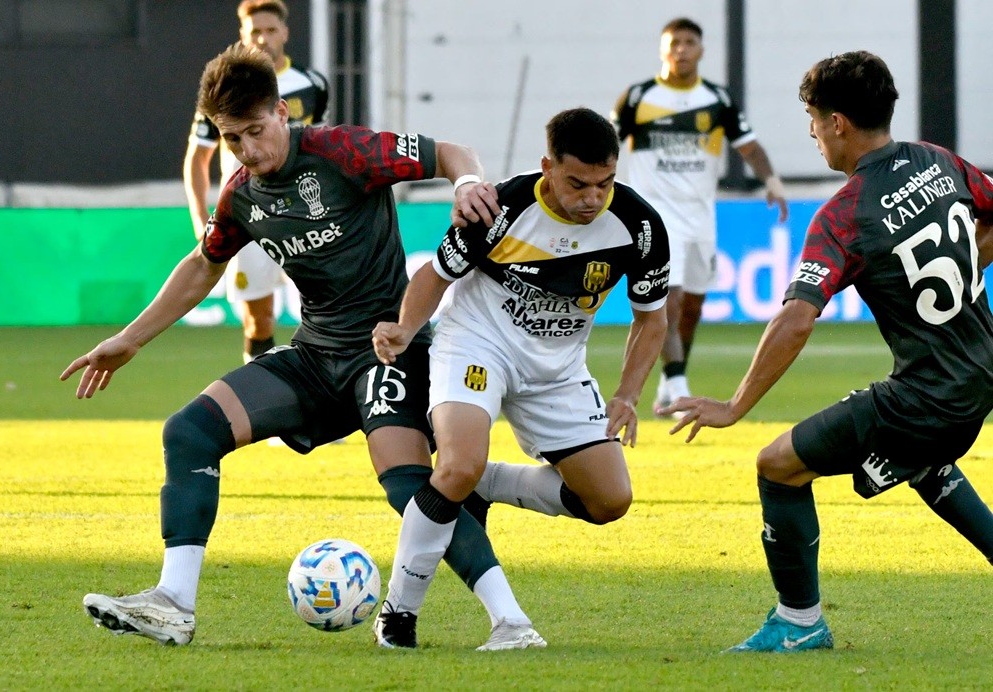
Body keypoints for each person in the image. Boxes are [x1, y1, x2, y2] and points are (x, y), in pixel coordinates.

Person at [61, 42, 536, 651]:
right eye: (233, 139)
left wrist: (468, 179)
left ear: (283, 112)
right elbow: (204, 266)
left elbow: (449, 151)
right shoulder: (242, 195)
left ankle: (510, 621)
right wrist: (129, 340)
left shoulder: (344, 152)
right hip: (315, 355)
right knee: (188, 432)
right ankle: (174, 602)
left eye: (256, 131)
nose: (248, 150)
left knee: (408, 483)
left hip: (388, 350)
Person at [661, 50, 993, 652]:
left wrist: (734, 405)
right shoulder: (940, 163)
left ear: (838, 122)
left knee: (777, 465)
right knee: (922, 457)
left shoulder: (844, 214)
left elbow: (795, 320)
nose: (812, 134)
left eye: (813, 120)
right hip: (978, 378)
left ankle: (799, 623)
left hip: (929, 396)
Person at [372, 107, 670, 647]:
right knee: (457, 465)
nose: (591, 198)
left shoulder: (640, 226)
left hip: (557, 370)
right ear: (547, 167)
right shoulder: (500, 209)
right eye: (577, 183)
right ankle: (398, 612)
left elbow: (652, 320)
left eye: (604, 183)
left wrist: (628, 394)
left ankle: (491, 483)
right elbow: (434, 277)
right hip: (477, 346)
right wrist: (403, 327)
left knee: (609, 502)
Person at [611, 16, 788, 417]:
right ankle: (677, 387)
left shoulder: (717, 100)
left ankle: (669, 381)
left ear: (701, 50)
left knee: (692, 306)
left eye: (689, 42)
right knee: (668, 302)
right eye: (674, 43)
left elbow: (750, 146)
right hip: (655, 216)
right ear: (662, 49)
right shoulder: (638, 97)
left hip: (700, 218)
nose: (681, 49)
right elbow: (607, 143)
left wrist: (772, 181)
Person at [183, 0, 328, 364]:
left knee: (327, 315)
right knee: (258, 320)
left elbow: (324, 149)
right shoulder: (224, 93)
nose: (263, 39)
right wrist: (201, 220)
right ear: (243, 35)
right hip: (251, 216)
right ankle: (262, 401)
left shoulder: (311, 85)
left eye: (270, 30)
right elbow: (197, 159)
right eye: (255, 32)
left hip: (306, 215)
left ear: (285, 33)